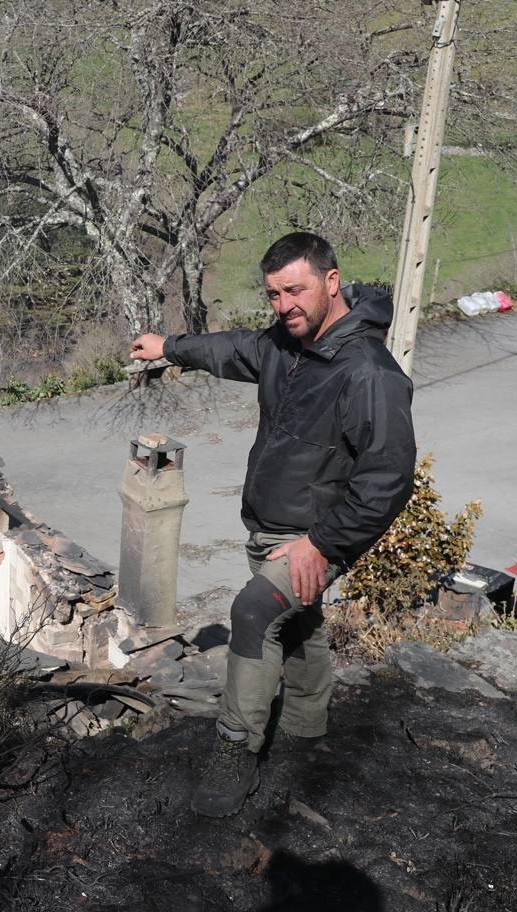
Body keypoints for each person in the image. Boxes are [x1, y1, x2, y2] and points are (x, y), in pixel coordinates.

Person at [130, 232, 416, 817]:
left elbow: (387, 479)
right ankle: (309, 724)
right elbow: (233, 349)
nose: (284, 304)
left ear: (331, 283)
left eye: (295, 289)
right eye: (273, 294)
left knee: (256, 611)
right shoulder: (285, 344)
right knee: (298, 622)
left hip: (318, 533)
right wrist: (170, 346)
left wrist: (321, 544)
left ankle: (235, 750)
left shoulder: (368, 373)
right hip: (271, 525)